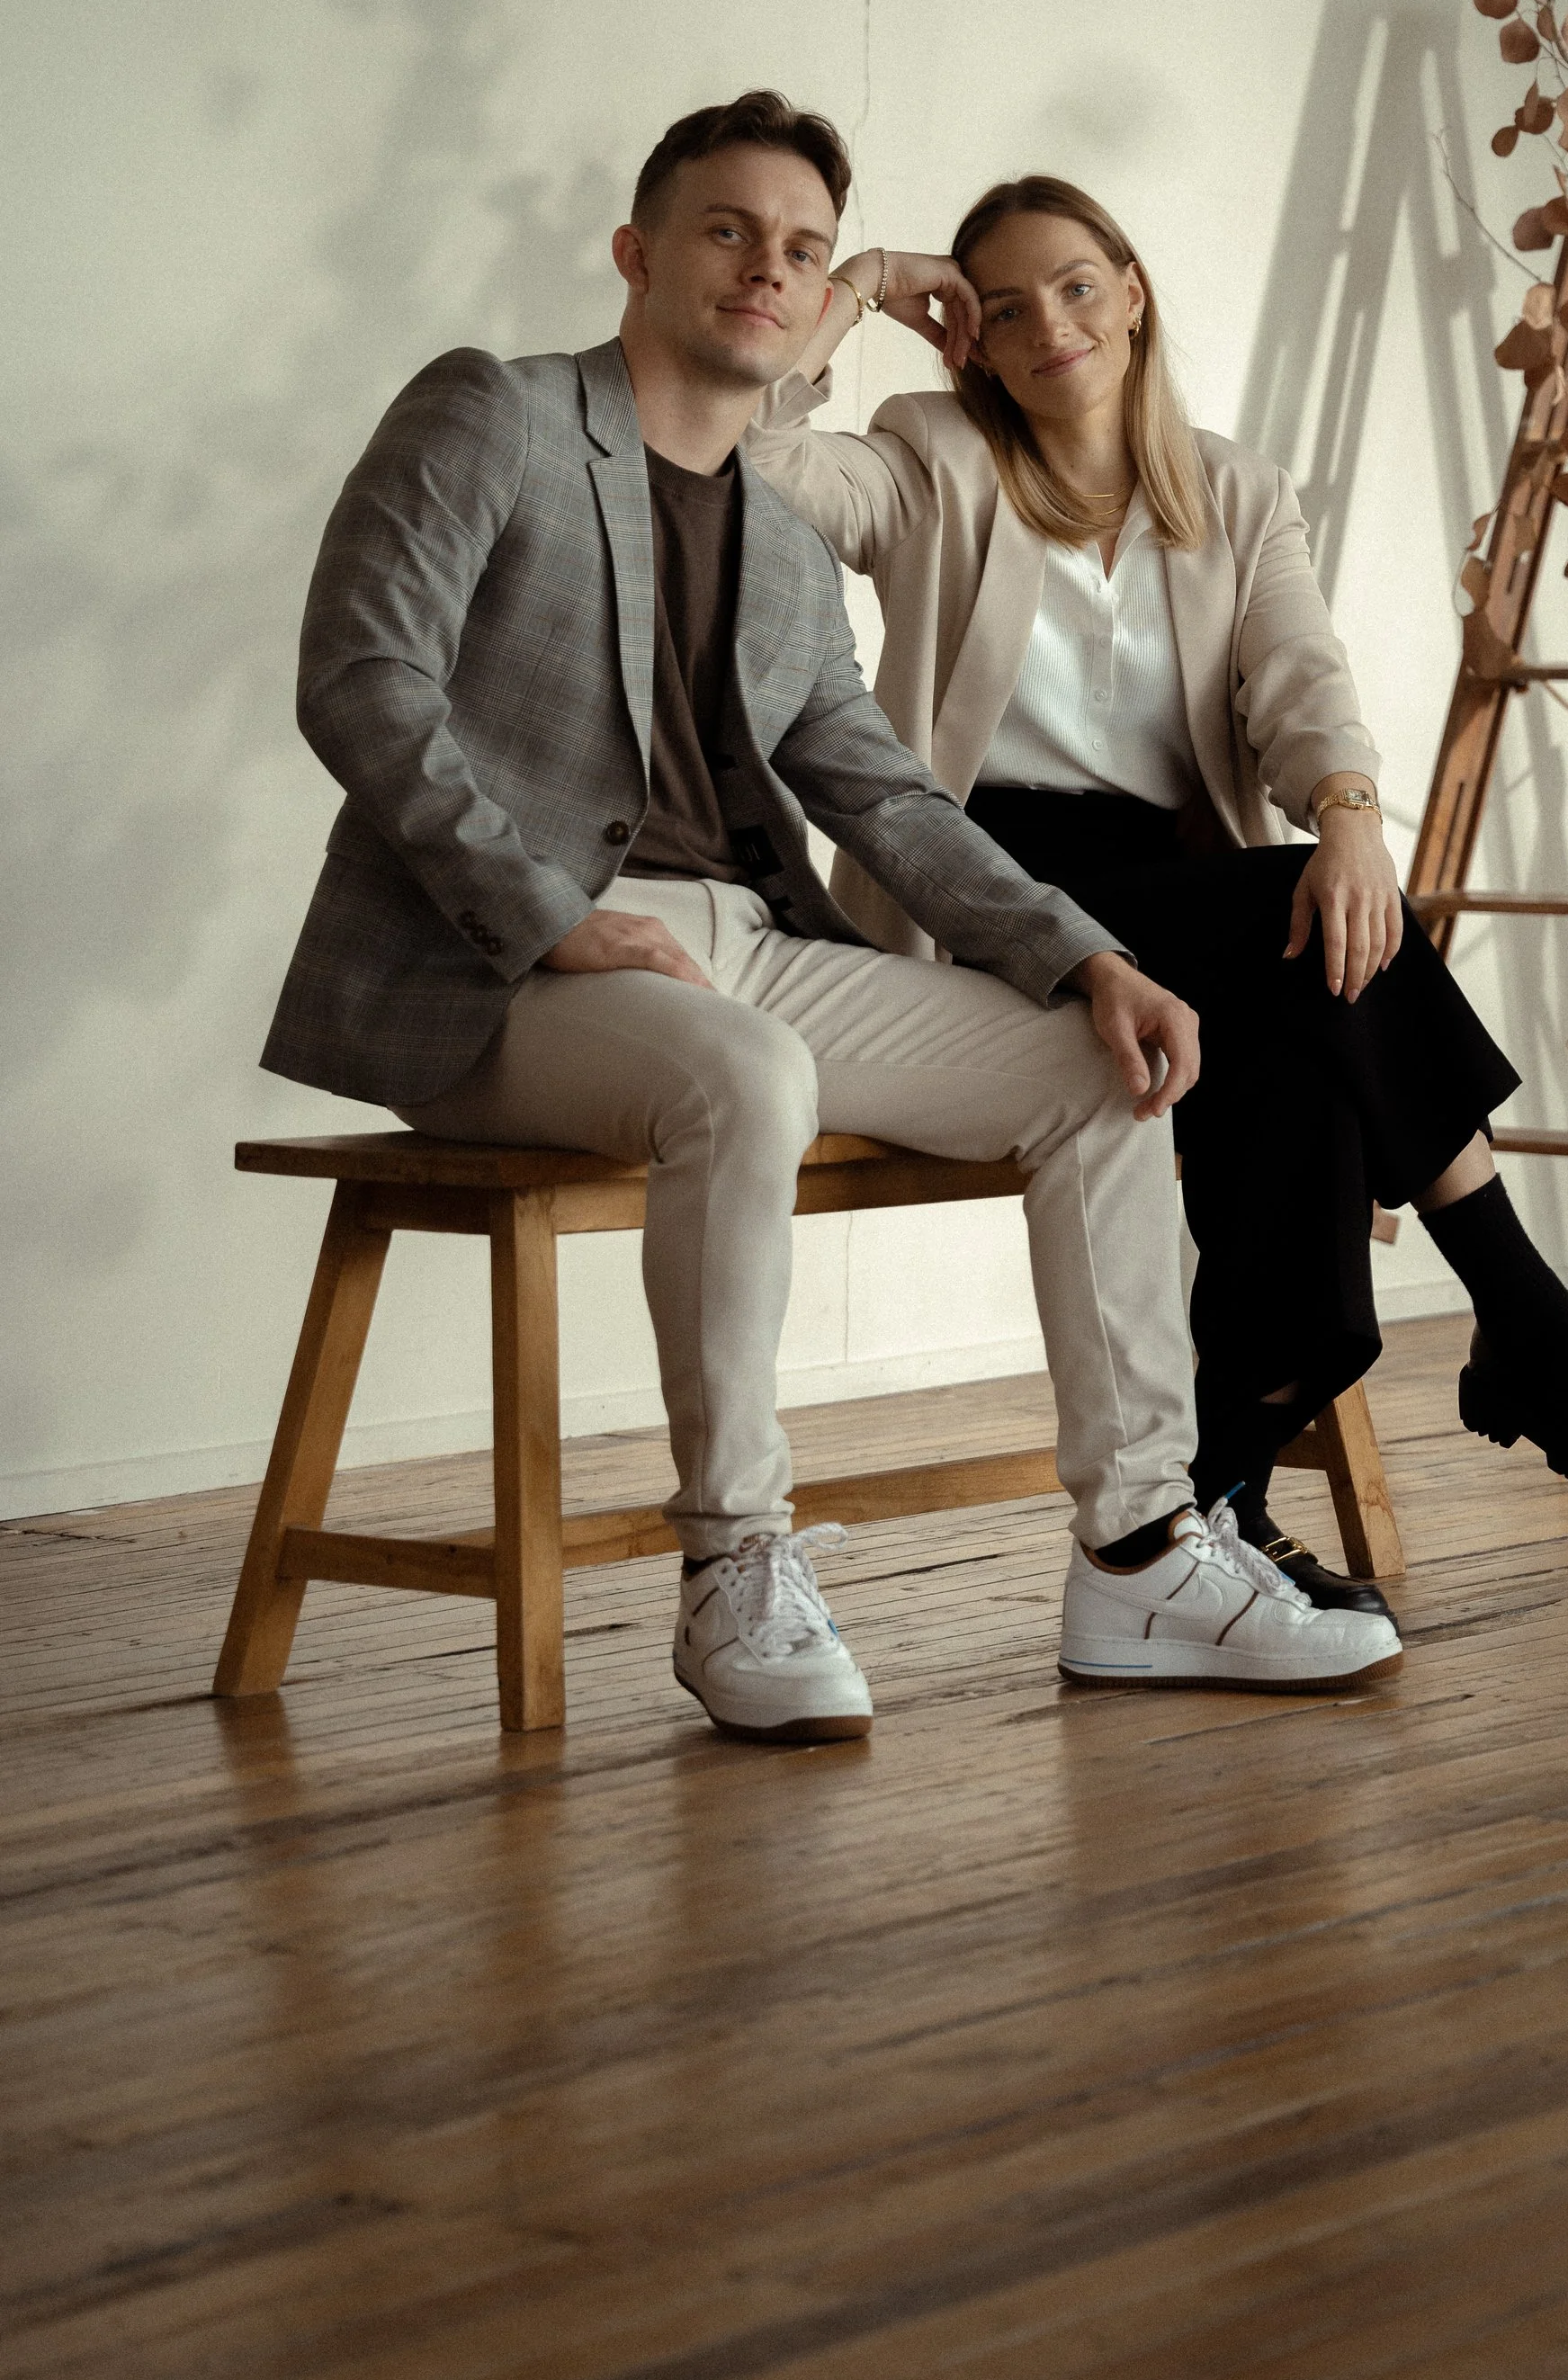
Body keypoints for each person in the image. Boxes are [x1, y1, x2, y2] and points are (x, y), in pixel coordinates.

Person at [260, 95, 1403, 1738]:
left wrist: (1090, 960)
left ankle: (1144, 1550)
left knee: (1101, 1068)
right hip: (499, 970)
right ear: (637, 253)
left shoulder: (785, 547)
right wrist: (544, 911)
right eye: (729, 230)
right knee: (746, 1077)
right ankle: (734, 1561)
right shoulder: (493, 417)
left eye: (803, 250)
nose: (767, 268)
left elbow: (887, 799)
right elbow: (361, 681)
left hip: (746, 952)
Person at [742, 174, 1568, 1603]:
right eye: (1005, 306)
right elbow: (755, 454)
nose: (1048, 325)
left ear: (1133, 292)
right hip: (995, 905)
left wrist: (1350, 820)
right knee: (1298, 938)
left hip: (1189, 906)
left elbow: (1301, 682)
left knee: (1307, 1062)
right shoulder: (930, 456)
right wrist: (870, 278)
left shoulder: (1240, 493)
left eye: (1077, 285)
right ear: (973, 339)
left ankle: (1213, 1506)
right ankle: (1522, 1313)